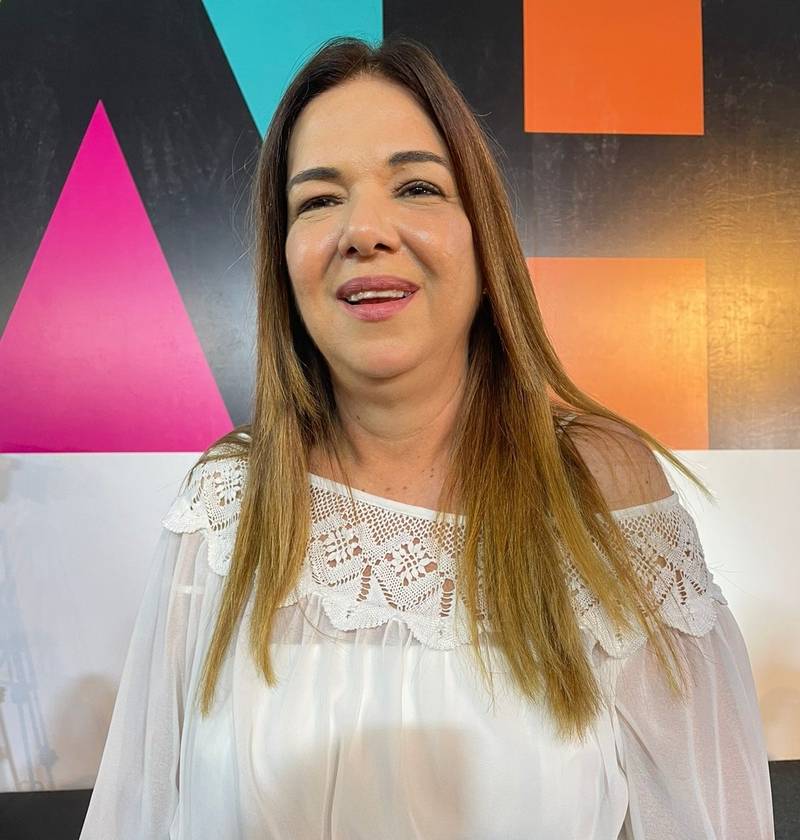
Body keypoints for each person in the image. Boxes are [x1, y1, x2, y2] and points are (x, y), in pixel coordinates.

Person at [79, 35, 774, 839]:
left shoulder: (603, 491)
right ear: (283, 257)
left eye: (416, 186)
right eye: (318, 200)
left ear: (483, 234)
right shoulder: (225, 508)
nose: (364, 230)